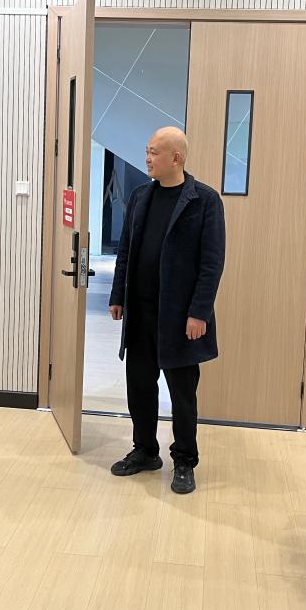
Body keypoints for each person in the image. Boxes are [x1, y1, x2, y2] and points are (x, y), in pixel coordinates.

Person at [108, 126, 226, 495]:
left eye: (153, 152)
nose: (147, 158)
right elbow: (126, 250)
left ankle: (185, 460)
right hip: (141, 315)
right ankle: (145, 450)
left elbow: (212, 263)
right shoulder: (141, 196)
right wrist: (118, 295)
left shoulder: (204, 200)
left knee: (182, 396)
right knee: (140, 387)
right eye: (147, 151)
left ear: (176, 157)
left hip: (180, 318)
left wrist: (199, 313)